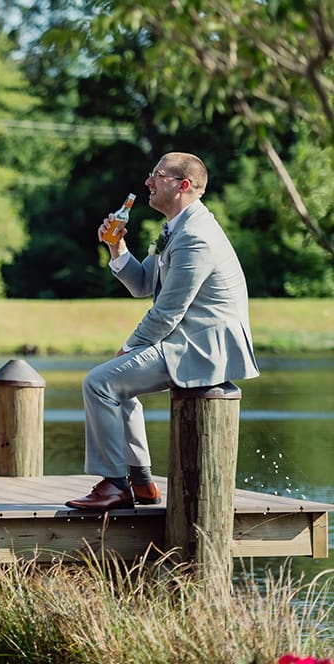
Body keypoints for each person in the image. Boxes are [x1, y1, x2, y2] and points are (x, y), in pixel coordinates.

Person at [66, 152, 259, 511]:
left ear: (182, 185)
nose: (148, 182)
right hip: (185, 340)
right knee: (115, 387)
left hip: (202, 347)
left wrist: (130, 347)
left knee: (99, 383)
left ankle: (113, 484)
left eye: (157, 175)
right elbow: (143, 284)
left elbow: (168, 311)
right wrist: (116, 246)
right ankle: (141, 484)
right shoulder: (177, 228)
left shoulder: (196, 236)